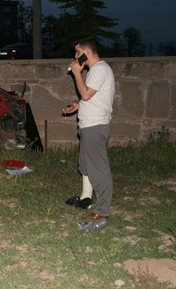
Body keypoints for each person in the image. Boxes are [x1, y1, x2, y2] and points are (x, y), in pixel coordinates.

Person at [62, 37, 115, 232]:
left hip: (95, 126)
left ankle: (102, 211)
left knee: (97, 168)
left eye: (77, 52)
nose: (76, 56)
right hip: (89, 124)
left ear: (87, 52)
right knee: (86, 165)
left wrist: (77, 73)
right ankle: (87, 198)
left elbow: (85, 93)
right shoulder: (96, 71)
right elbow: (90, 98)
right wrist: (78, 106)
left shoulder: (100, 69)